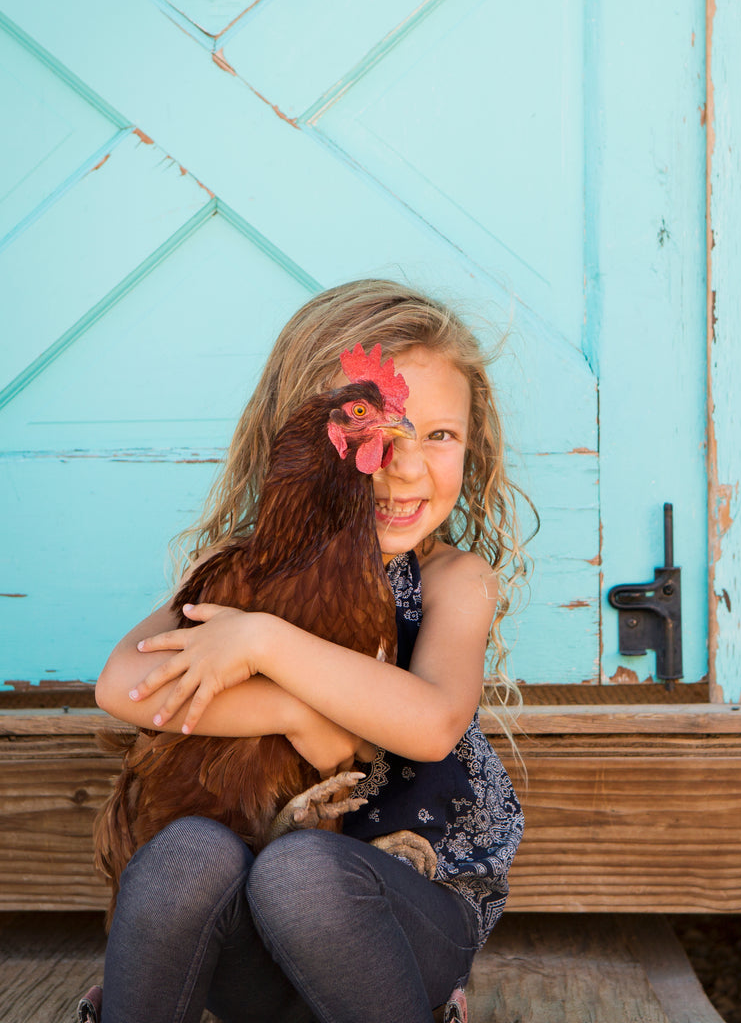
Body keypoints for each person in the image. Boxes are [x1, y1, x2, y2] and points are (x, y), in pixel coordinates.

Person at [87, 280, 530, 1023]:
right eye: (373, 435)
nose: (405, 466)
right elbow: (122, 687)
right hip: (253, 951)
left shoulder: (454, 580)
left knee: (300, 873)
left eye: (437, 435)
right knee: (185, 853)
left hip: (397, 929)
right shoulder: (247, 567)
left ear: (473, 445)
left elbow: (427, 724)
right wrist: (297, 709)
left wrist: (261, 640)